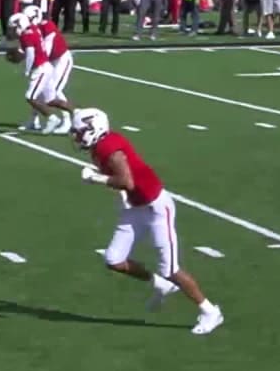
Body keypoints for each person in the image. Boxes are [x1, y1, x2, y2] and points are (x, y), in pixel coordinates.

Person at [72, 108, 225, 335]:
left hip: (156, 208)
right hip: (134, 207)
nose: (76, 136)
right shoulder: (100, 147)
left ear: (94, 128)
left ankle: (210, 311)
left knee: (171, 268)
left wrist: (95, 178)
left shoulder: (108, 147)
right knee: (113, 259)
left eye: (80, 131)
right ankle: (161, 284)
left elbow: (127, 182)